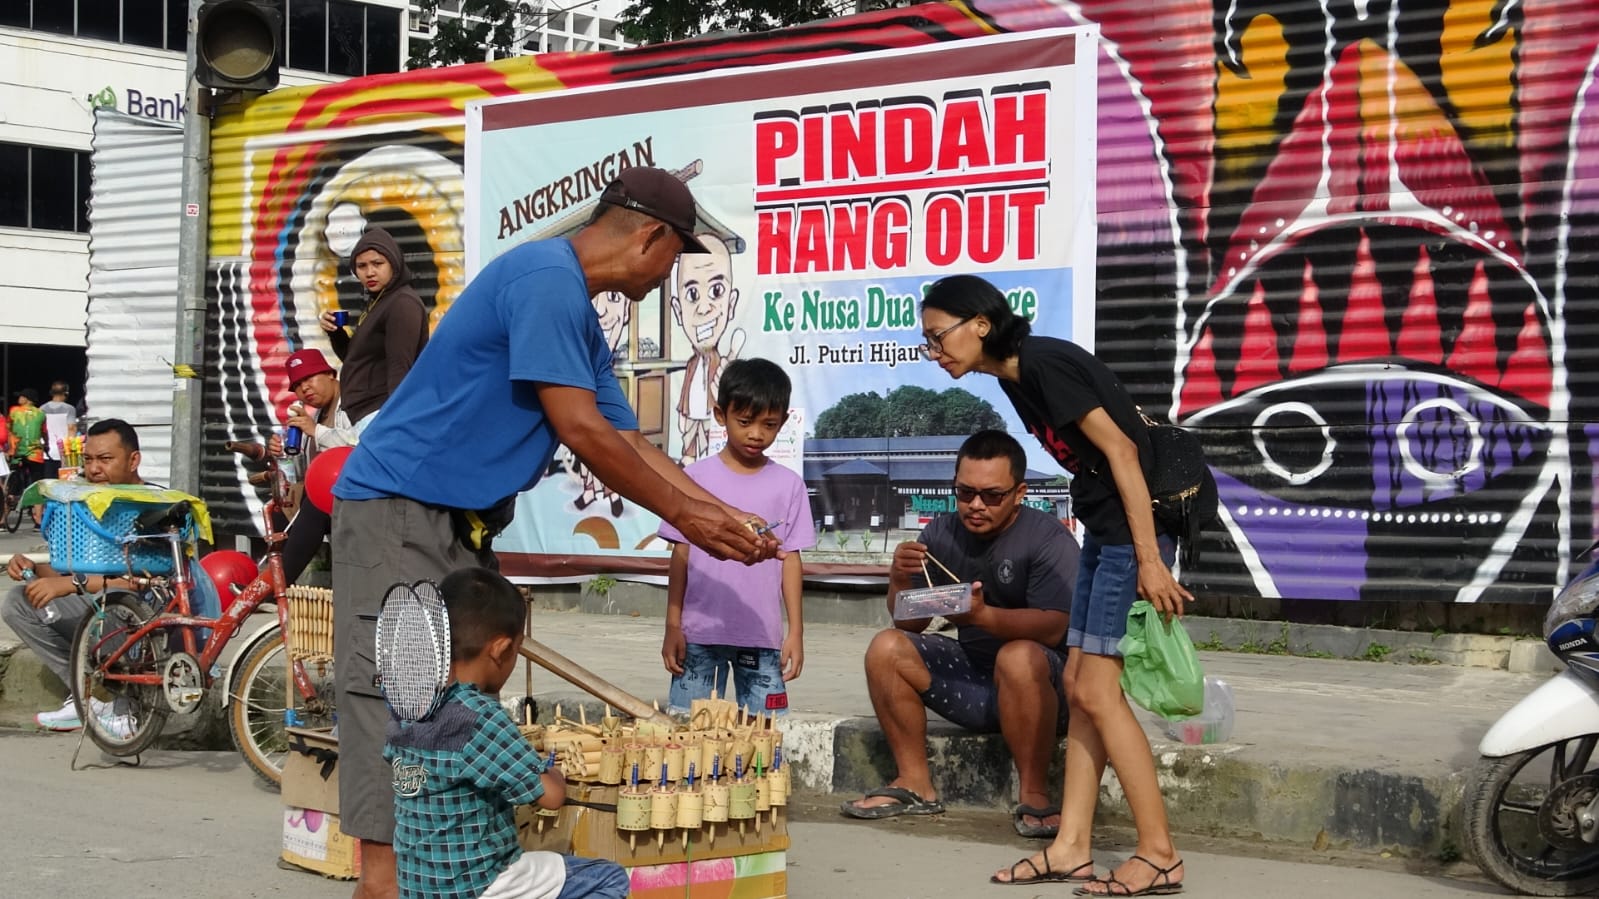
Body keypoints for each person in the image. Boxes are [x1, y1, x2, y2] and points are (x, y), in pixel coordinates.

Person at [331, 166, 777, 899]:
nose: (671, 276)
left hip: (455, 525)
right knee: (402, 717)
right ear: (652, 237)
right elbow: (578, 428)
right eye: (676, 259)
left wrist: (723, 516)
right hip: (397, 511)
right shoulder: (543, 278)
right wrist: (691, 520)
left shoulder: (574, 309)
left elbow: (627, 440)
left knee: (455, 712)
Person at [916, 275, 1190, 893]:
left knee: (1096, 690)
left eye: (938, 337)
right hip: (1106, 531)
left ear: (979, 324)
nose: (935, 352)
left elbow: (1122, 450)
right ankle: (1070, 846)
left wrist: (1149, 559)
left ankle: (1159, 852)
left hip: (1129, 536)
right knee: (1078, 680)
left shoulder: (1041, 364)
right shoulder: (1016, 378)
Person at [842, 430, 1079, 839]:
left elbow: (1055, 624)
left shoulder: (1047, 538)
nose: (975, 505)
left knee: (1018, 655)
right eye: (965, 492)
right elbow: (909, 622)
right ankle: (915, 783)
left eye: (992, 495)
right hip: (977, 684)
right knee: (886, 648)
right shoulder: (939, 534)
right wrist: (899, 580)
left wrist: (984, 617)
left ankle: (1035, 793)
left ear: (1019, 492)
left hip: (1046, 692)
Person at [387, 568, 630, 899]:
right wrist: (554, 772)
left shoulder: (405, 704)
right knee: (608, 878)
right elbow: (551, 797)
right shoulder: (479, 717)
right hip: (479, 884)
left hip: (419, 887)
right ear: (500, 649)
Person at [658, 358, 814, 716]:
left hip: (761, 638)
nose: (756, 434)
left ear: (784, 422)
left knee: (766, 738)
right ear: (720, 415)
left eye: (769, 424)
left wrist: (796, 632)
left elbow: (790, 559)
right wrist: (672, 625)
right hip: (698, 636)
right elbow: (680, 555)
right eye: (744, 422)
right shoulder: (692, 479)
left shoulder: (789, 485)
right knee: (689, 739)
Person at [0, 419, 147, 736]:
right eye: (89, 460)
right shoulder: (85, 506)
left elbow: (141, 583)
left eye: (105, 459)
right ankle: (85, 697)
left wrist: (68, 584)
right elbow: (70, 569)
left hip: (140, 621)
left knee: (109, 606)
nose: (94, 469)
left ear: (133, 460)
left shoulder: (150, 508)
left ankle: (126, 708)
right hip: (96, 605)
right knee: (18, 601)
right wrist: (34, 571)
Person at [320, 226, 430, 428]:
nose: (370, 272)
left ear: (394, 264)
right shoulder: (379, 301)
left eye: (378, 263)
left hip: (380, 415)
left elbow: (401, 366)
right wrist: (335, 333)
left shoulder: (401, 303)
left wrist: (395, 424)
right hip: (366, 414)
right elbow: (358, 360)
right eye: (361, 266)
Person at [268, 348, 356, 584]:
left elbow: (358, 442)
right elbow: (310, 469)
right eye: (297, 385)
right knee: (279, 508)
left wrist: (315, 431)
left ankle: (277, 585)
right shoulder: (316, 415)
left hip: (356, 493)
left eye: (309, 378)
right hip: (328, 494)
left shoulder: (353, 403)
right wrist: (281, 452)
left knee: (314, 509)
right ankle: (273, 580)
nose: (304, 388)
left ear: (330, 374)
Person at [671, 233, 743, 464]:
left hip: (712, 419)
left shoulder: (720, 363)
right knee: (690, 449)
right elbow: (685, 391)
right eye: (692, 295)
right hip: (693, 415)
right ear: (677, 311)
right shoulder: (692, 363)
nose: (704, 308)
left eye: (716, 292)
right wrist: (683, 413)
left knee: (711, 451)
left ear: (730, 304)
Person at [8, 388, 46, 490]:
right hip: (35, 454)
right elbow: (44, 432)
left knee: (13, 485)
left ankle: (13, 501)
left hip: (17, 452)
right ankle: (36, 504)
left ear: (28, 399)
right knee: (37, 485)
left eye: (22, 396)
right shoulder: (41, 413)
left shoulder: (14, 411)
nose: (19, 398)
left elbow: (9, 428)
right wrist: (46, 444)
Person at [39, 382, 78, 480]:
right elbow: (71, 428)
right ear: (66, 393)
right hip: (64, 452)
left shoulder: (42, 409)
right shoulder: (70, 409)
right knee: (64, 482)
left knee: (48, 482)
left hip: (46, 451)